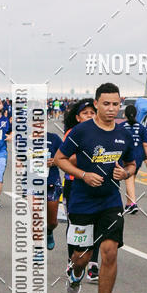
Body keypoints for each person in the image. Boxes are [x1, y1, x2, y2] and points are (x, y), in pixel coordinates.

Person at [54, 83, 136, 293]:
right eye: (106, 104)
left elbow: (132, 164)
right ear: (97, 104)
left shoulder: (124, 134)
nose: (111, 108)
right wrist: (83, 175)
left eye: (115, 104)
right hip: (82, 202)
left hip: (110, 202)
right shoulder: (81, 131)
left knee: (110, 252)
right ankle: (76, 273)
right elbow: (59, 159)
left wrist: (125, 173)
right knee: (82, 257)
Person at [62, 98, 101, 280]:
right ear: (78, 117)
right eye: (85, 113)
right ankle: (73, 260)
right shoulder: (72, 133)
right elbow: (64, 158)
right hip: (74, 184)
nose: (89, 116)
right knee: (75, 225)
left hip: (99, 184)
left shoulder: (104, 132)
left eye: (92, 113)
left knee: (98, 225)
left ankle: (93, 264)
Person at [122, 104, 147, 214]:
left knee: (129, 178)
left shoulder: (121, 127)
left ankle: (133, 203)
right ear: (136, 114)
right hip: (138, 156)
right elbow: (146, 145)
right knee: (131, 179)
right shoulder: (141, 127)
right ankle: (128, 204)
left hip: (126, 156)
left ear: (124, 114)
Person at [46, 130, 63, 250]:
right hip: (33, 183)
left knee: (52, 222)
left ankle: (49, 231)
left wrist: (55, 161)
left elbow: (64, 157)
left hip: (51, 181)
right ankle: (37, 250)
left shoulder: (54, 138)